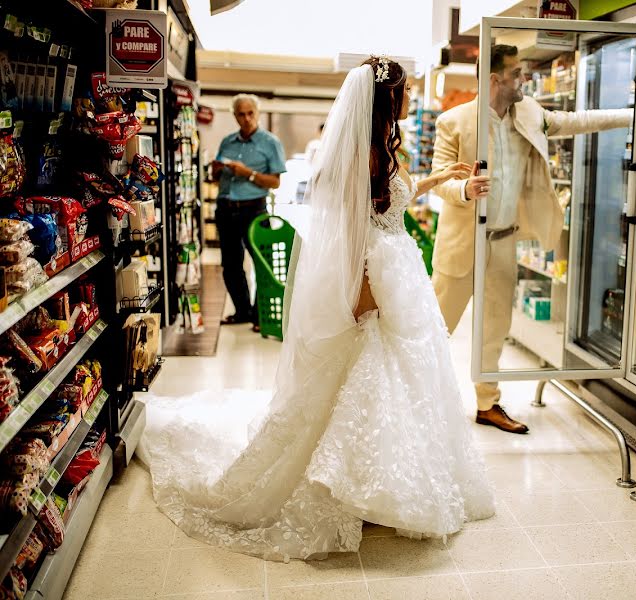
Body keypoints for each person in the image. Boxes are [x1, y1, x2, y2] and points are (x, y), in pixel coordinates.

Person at [137, 57, 495, 561]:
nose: (411, 98)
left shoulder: (379, 151)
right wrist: (364, 297)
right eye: (406, 91)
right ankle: (356, 484)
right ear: (387, 100)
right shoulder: (365, 155)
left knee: (398, 381)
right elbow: (354, 234)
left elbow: (392, 202)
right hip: (378, 279)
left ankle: (379, 481)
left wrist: (440, 180)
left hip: (396, 272)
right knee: (368, 381)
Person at [430, 44, 633, 434]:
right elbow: (440, 177)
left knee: (494, 330)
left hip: (504, 241)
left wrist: (631, 115)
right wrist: (464, 189)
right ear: (495, 79)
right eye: (517, 72)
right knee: (435, 328)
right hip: (462, 243)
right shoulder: (453, 121)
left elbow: (576, 120)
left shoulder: (529, 113)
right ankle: (411, 401)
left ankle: (488, 404)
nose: (524, 78)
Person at [212, 94, 287, 332]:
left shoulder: (270, 142)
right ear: (235, 116)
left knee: (260, 262)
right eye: (241, 114)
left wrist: (247, 173)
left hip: (253, 208)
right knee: (230, 265)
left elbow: (275, 182)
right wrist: (216, 171)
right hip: (225, 208)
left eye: (250, 113)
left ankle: (259, 315)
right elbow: (216, 176)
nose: (246, 118)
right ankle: (242, 311)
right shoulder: (227, 142)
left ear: (258, 113)